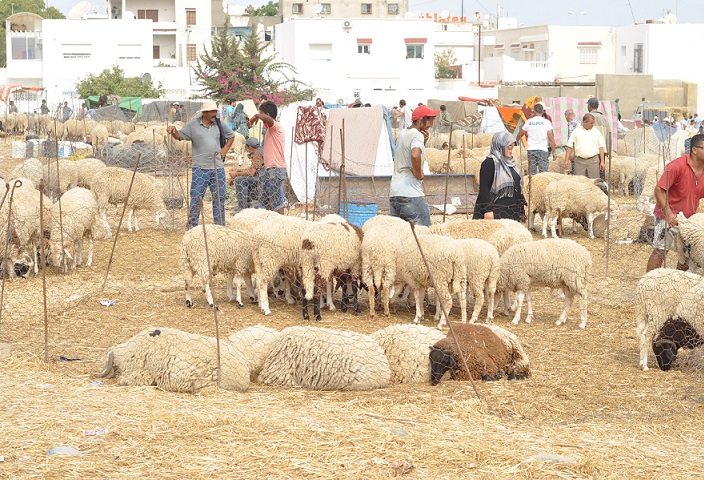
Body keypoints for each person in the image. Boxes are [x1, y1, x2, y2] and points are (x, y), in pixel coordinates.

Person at [167, 100, 235, 228]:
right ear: (205, 113)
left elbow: (231, 136)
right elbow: (180, 136)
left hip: (217, 168)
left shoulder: (219, 124)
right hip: (200, 169)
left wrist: (224, 150)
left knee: (219, 199)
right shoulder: (193, 125)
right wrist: (174, 130)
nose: (215, 114)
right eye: (212, 111)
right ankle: (192, 226)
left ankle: (219, 226)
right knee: (196, 198)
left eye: (216, 111)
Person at [646, 134, 704, 272]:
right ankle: (649, 283)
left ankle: (678, 285)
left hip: (688, 220)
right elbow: (659, 190)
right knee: (661, 250)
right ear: (695, 150)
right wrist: (669, 214)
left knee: (686, 255)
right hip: (668, 216)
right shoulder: (677, 166)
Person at [389, 105, 439, 227]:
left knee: (402, 238)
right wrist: (419, 173)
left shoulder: (403, 133)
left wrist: (424, 143)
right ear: (421, 120)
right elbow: (415, 155)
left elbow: (405, 154)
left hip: (395, 193)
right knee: (422, 236)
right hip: (411, 194)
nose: (431, 125)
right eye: (430, 120)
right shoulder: (417, 135)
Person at [473, 132, 526, 221]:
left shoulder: (512, 163)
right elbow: (484, 189)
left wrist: (523, 203)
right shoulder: (489, 163)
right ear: (500, 146)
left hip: (512, 211)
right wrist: (487, 210)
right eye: (509, 148)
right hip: (495, 212)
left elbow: (517, 185)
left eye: (512, 148)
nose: (511, 151)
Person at [248, 101, 287, 214]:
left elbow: (266, 119)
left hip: (276, 169)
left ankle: (281, 224)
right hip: (269, 169)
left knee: (276, 202)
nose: (260, 119)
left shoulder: (276, 127)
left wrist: (255, 116)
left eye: (261, 114)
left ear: (268, 115)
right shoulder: (269, 131)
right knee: (266, 201)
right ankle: (271, 222)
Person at [516, 103, 555, 174]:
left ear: (534, 111)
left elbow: (520, 133)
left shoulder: (529, 122)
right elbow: (551, 138)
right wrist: (554, 152)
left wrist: (517, 140)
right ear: (542, 111)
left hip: (531, 150)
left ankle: (531, 185)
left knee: (532, 173)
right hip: (542, 149)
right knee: (543, 173)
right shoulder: (546, 122)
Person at [563, 114, 605, 179]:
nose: (592, 124)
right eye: (591, 123)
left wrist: (602, 161)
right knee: (579, 182)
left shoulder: (596, 132)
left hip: (593, 161)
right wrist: (566, 160)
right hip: (579, 161)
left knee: (594, 182)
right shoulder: (576, 131)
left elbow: (601, 147)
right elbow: (569, 146)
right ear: (585, 122)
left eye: (593, 123)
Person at [228, 137, 263, 212]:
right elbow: (252, 168)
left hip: (262, 179)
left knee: (239, 180)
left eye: (247, 146)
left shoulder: (257, 154)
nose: (246, 148)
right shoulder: (259, 151)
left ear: (250, 147)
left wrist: (236, 174)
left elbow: (251, 173)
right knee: (243, 178)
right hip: (260, 177)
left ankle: (242, 208)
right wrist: (238, 170)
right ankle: (243, 204)